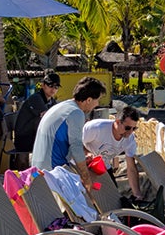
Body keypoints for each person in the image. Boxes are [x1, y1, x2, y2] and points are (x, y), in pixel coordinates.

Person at [32, 76, 106, 208]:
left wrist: (86, 153)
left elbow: (71, 141)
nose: (98, 104)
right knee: (80, 205)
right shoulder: (76, 113)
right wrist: (86, 177)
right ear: (89, 100)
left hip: (38, 167)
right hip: (52, 171)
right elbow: (76, 147)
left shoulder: (63, 106)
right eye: (97, 100)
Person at [83, 104, 143, 199]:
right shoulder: (96, 128)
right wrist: (87, 153)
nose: (130, 132)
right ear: (117, 122)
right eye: (127, 128)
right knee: (86, 198)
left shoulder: (130, 139)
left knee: (113, 198)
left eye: (134, 128)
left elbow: (131, 168)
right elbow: (76, 143)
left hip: (103, 167)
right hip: (83, 166)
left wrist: (137, 194)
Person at [12, 73, 60, 162]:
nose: (53, 89)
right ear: (43, 85)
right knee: (43, 121)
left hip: (34, 137)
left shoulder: (51, 101)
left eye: (56, 87)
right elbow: (48, 116)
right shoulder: (36, 98)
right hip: (24, 139)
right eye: (50, 85)